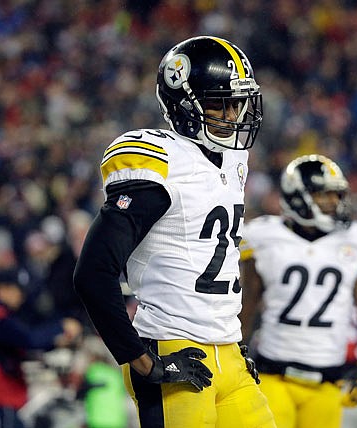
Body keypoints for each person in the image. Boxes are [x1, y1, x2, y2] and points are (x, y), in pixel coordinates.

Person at [73, 35, 275, 428]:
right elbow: (93, 274)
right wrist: (143, 361)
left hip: (228, 351)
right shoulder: (160, 161)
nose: (233, 115)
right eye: (220, 103)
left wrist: (230, 342)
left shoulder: (234, 159)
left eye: (238, 102)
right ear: (183, 103)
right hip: (172, 346)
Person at [238, 154, 357, 428]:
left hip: (328, 382)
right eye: (324, 195)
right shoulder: (262, 236)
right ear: (297, 196)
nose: (334, 202)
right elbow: (244, 309)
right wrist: (235, 357)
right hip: (272, 373)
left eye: (337, 195)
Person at [0, 268, 82, 428]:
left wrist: (54, 343)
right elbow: (29, 339)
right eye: (17, 290)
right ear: (2, 289)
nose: (21, 296)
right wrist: (61, 326)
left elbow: (11, 347)